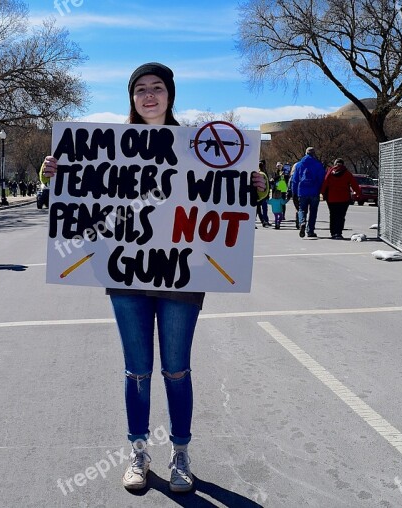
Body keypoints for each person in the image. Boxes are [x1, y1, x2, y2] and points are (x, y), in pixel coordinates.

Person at [41, 62, 265, 494]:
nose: (148, 96)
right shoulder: (104, 148)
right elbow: (69, 201)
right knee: (137, 371)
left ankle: (180, 452)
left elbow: (229, 205)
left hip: (183, 279)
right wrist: (51, 175)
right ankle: (138, 451)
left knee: (176, 370)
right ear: (130, 97)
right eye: (139, 89)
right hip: (126, 278)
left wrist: (254, 186)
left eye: (156, 88)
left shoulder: (199, 148)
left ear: (170, 95)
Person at [290, 147, 326, 238]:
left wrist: (294, 191)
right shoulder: (318, 164)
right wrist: (320, 190)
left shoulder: (299, 165)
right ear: (314, 154)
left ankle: (302, 222)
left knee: (302, 209)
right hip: (314, 191)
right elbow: (322, 178)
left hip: (302, 191)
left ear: (306, 153)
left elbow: (295, 180)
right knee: (313, 212)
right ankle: (310, 230)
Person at [321, 158, 361, 239]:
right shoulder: (347, 173)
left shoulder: (330, 172)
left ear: (335, 164)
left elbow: (325, 183)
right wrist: (358, 193)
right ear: (343, 164)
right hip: (344, 198)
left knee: (333, 215)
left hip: (331, 198)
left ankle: (333, 233)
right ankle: (338, 232)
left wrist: (322, 193)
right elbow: (354, 184)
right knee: (341, 216)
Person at [255, 160, 270, 228]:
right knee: (260, 209)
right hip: (263, 194)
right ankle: (263, 221)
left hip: (256, 194)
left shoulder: (258, 174)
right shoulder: (264, 174)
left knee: (257, 209)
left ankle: (262, 221)